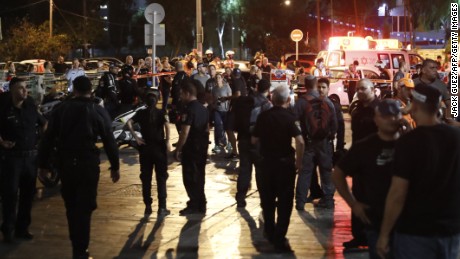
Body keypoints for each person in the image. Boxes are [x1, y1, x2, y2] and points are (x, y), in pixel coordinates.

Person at [37, 76, 120, 259]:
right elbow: (109, 139)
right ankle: (80, 249)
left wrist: (43, 165)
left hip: (66, 164)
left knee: (71, 205)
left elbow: (48, 138)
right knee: (85, 207)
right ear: (91, 90)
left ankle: (77, 245)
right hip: (87, 164)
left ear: (74, 90)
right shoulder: (97, 110)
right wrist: (115, 165)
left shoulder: (60, 110)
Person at [376, 84, 460, 259]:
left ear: (414, 105)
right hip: (451, 230)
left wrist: (384, 234)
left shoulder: (409, 143)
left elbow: (398, 192)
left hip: (416, 231)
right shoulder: (456, 137)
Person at [333, 99, 403, 259]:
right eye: (385, 116)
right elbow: (338, 174)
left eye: (394, 115)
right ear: (376, 119)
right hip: (376, 219)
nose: (391, 119)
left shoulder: (411, 144)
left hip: (407, 223)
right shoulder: (364, 147)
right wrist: (354, 204)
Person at [252, 85, 304, 252]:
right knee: (285, 202)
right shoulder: (290, 118)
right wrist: (299, 162)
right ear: (287, 100)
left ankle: (269, 229)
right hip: (284, 165)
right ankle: (280, 237)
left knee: (267, 200)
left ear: (271, 99)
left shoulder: (263, 116)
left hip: (266, 164)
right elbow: (300, 141)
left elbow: (254, 139)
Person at [0, 78, 47, 243]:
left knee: (28, 196)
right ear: (12, 90)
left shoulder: (30, 106)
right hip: (11, 160)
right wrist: (2, 142)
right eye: (21, 88)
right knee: (10, 195)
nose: (25, 91)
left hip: (30, 159)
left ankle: (22, 228)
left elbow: (44, 123)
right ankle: (8, 229)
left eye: (26, 88)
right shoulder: (4, 108)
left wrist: (42, 141)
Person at [344, 78, 380, 249]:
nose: (360, 91)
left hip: (376, 163)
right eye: (358, 89)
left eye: (363, 88)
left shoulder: (379, 110)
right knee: (358, 197)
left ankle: (373, 235)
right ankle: (359, 236)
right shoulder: (357, 111)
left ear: (373, 89)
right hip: (360, 164)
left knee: (374, 200)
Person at [294, 75, 337, 210]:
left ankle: (300, 202)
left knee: (305, 172)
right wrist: (330, 136)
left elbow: (293, 123)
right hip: (325, 143)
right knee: (326, 172)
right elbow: (335, 125)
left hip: (309, 142)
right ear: (315, 85)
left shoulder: (302, 102)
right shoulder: (328, 102)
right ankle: (328, 200)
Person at [127, 89, 171, 217]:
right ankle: (162, 208)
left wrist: (136, 137)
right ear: (157, 100)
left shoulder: (141, 113)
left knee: (146, 179)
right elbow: (167, 126)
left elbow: (129, 122)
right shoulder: (162, 112)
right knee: (161, 178)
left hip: (145, 149)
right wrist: (167, 141)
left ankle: (148, 206)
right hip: (159, 148)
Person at [234, 79, 272, 208]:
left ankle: (240, 197)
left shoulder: (247, 100)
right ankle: (264, 199)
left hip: (243, 138)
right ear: (268, 90)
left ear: (257, 87)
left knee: (244, 169)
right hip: (258, 142)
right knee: (261, 171)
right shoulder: (267, 104)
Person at [173, 79, 209, 215]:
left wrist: (178, 149)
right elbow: (206, 128)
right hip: (202, 147)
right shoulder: (203, 109)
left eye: (182, 94)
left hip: (191, 148)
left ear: (188, 94)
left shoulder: (189, 109)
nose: (181, 97)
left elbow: (185, 132)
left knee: (189, 177)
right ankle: (201, 203)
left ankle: (194, 204)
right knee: (200, 176)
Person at [210, 73, 232, 153]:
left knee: (226, 127)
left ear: (222, 78)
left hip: (225, 110)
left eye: (219, 77)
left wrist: (225, 100)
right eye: (216, 78)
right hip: (217, 110)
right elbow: (212, 99)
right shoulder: (214, 89)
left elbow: (230, 97)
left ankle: (229, 143)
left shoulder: (226, 87)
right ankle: (217, 144)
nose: (217, 79)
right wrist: (213, 103)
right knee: (217, 125)